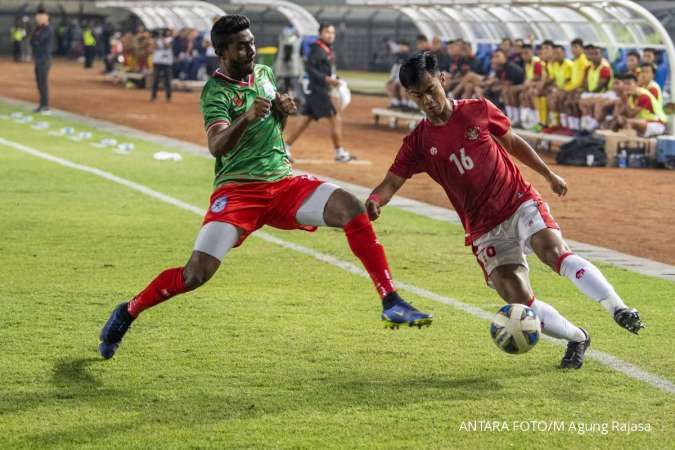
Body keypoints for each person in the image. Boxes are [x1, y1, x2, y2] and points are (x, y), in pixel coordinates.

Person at [98, 15, 432, 360]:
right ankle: (128, 311)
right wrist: (246, 117)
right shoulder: (216, 92)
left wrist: (282, 110)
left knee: (350, 206)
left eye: (251, 42)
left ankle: (390, 300)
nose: (250, 50)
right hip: (239, 192)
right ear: (221, 52)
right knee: (195, 274)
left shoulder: (264, 74)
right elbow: (216, 145)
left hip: (283, 181)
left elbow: (275, 123)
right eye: (241, 46)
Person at [366, 53, 645, 369]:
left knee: (553, 252)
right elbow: (390, 182)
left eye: (431, 89)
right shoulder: (417, 143)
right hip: (484, 228)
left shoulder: (477, 110)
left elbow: (513, 143)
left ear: (442, 80)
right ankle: (577, 337)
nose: (428, 100)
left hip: (517, 200)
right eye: (418, 96)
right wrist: (375, 200)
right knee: (517, 298)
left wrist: (549, 175)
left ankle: (618, 308)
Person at [284, 23, 352, 163]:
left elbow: (322, 69)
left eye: (332, 32)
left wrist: (333, 78)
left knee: (304, 121)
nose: (330, 35)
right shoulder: (318, 49)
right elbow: (310, 69)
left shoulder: (325, 48)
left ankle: (285, 147)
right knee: (335, 119)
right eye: (327, 32)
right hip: (319, 91)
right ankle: (339, 153)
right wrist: (327, 79)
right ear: (320, 33)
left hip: (317, 90)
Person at [615, 73, 667, 137]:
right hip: (645, 122)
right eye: (625, 84)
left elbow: (631, 114)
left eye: (629, 84)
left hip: (658, 123)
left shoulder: (643, 96)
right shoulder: (630, 96)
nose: (626, 87)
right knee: (617, 121)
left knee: (628, 122)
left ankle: (630, 144)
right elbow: (619, 114)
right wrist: (618, 115)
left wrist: (625, 100)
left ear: (636, 84)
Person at [30, 7, 53, 113]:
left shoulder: (47, 29)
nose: (38, 18)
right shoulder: (38, 28)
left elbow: (38, 40)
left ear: (46, 17)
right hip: (38, 59)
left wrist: (36, 39)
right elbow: (32, 41)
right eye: (37, 17)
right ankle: (42, 104)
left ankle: (45, 105)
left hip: (44, 60)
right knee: (39, 83)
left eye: (41, 17)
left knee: (43, 83)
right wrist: (35, 38)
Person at [150, 28, 174, 102]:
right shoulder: (156, 40)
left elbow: (167, 46)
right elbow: (153, 48)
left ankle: (168, 96)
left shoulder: (171, 39)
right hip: (157, 61)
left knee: (167, 80)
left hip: (167, 62)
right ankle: (153, 96)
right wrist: (156, 40)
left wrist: (162, 39)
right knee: (155, 79)